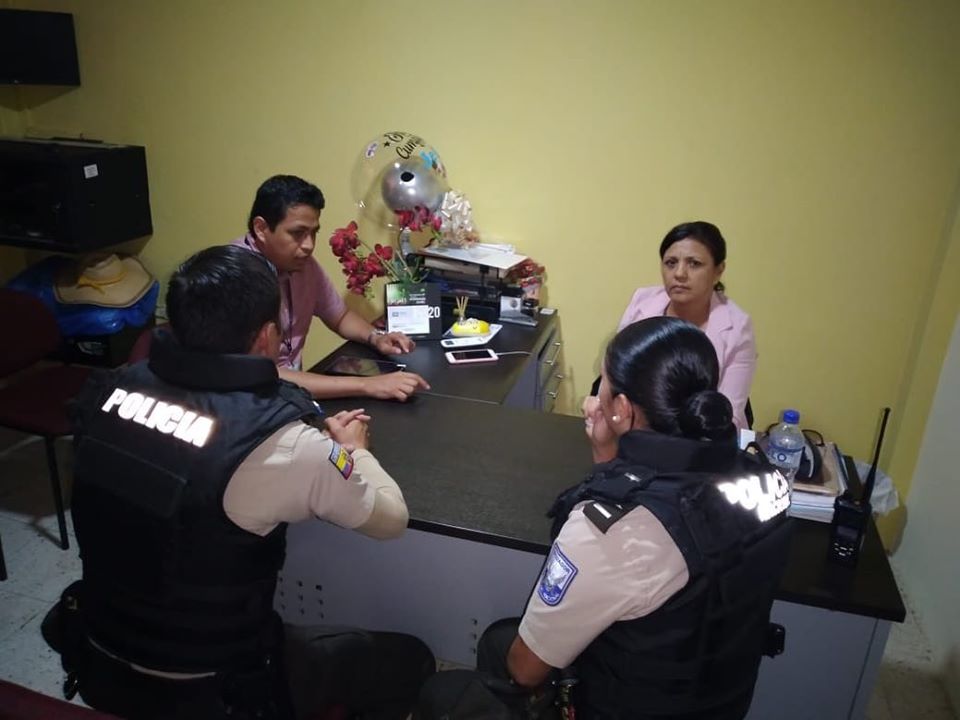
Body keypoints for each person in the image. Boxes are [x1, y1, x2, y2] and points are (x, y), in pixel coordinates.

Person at [61, 245, 434, 719]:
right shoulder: (282, 441)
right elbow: (392, 519)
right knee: (410, 658)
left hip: (99, 650)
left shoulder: (109, 389)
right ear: (266, 336)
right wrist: (354, 451)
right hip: (215, 683)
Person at [419, 317, 792, 720]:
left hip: (622, 704)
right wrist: (613, 462)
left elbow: (526, 669)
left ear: (622, 410)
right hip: (716, 693)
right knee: (498, 640)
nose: (592, 398)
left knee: (449, 689)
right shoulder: (764, 477)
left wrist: (608, 470)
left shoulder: (615, 530)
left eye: (602, 386)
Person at [234, 174, 430, 401]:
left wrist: (376, 338)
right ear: (261, 228)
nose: (309, 245)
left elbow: (339, 316)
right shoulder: (234, 277)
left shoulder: (302, 264)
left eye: (313, 233)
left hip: (291, 397)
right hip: (253, 403)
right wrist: (367, 385)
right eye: (297, 233)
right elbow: (260, 374)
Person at [613, 220, 756, 429]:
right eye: (671, 263)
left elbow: (727, 415)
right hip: (637, 427)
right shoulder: (642, 302)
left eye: (694, 264)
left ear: (718, 271)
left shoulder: (738, 327)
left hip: (704, 434)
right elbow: (616, 373)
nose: (679, 273)